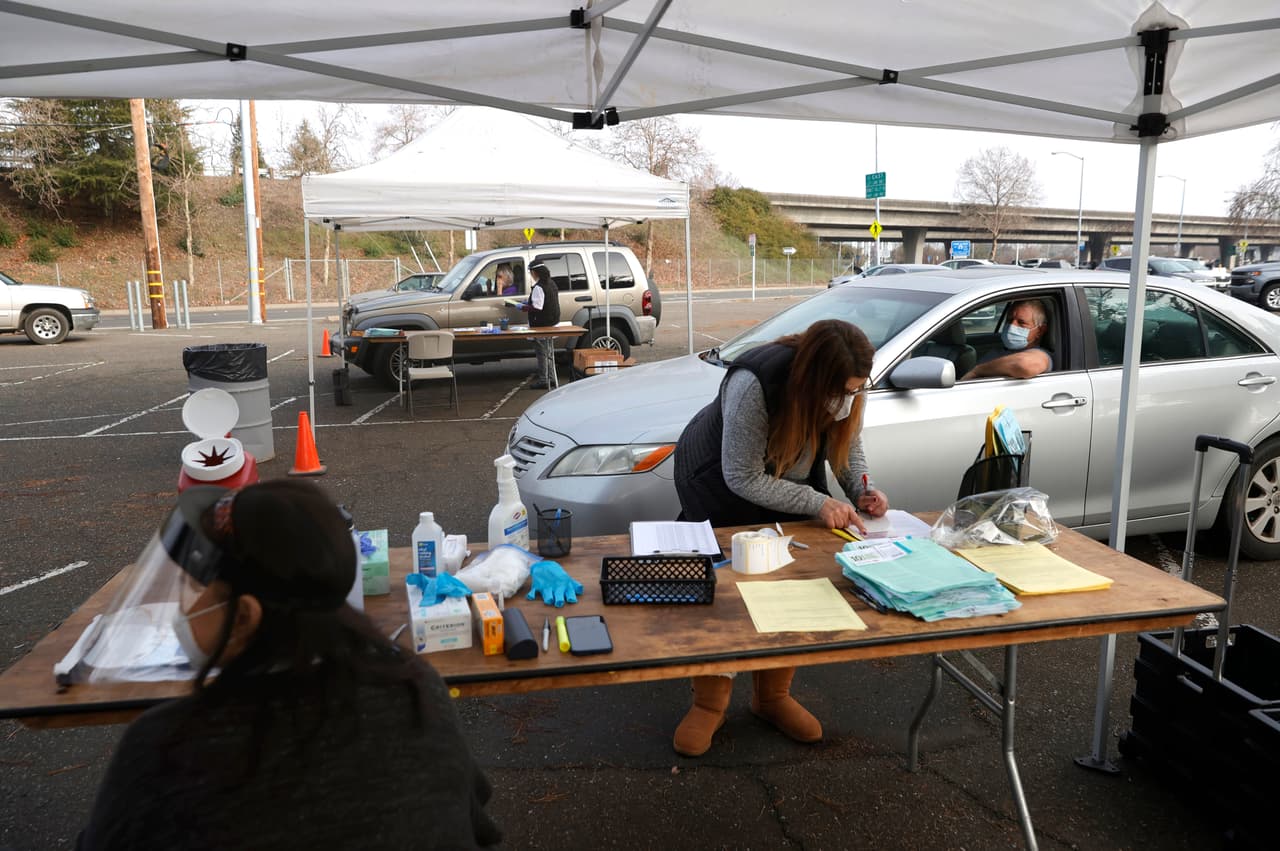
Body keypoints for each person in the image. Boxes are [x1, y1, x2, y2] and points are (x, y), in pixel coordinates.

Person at [79, 480, 502, 850]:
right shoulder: (416, 690)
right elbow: (474, 820)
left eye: (195, 587)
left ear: (245, 616)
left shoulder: (164, 748)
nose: (182, 605)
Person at [670, 319, 889, 757]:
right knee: (727, 594)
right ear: (813, 381)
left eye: (855, 392)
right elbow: (742, 476)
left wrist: (861, 491)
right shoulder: (756, 383)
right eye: (841, 392)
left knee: (793, 583)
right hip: (718, 481)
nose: (847, 402)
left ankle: (771, 697)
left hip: (784, 477)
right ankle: (710, 703)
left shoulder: (843, 390)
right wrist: (816, 503)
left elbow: (846, 445)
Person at [960, 299, 1052, 380]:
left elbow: (1024, 364)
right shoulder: (996, 351)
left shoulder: (1041, 355)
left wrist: (977, 371)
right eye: (1009, 320)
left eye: (1021, 322)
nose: (1012, 326)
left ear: (1040, 331)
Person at [521, 261, 560, 389]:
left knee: (541, 353)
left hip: (541, 324)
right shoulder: (551, 283)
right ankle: (552, 377)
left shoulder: (539, 287)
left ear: (534, 272)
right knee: (549, 352)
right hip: (552, 322)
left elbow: (537, 307)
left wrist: (523, 307)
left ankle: (544, 379)